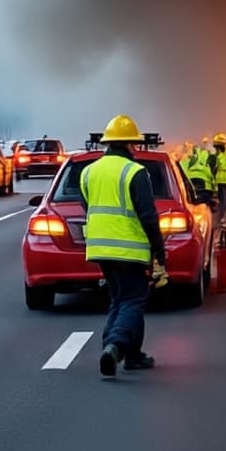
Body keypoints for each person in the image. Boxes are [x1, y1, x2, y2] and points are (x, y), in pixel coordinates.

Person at [82, 115, 168, 379]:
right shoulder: (135, 172)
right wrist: (158, 250)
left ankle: (132, 355)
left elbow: (87, 206)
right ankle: (116, 346)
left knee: (120, 299)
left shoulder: (89, 171)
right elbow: (148, 216)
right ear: (130, 145)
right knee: (133, 300)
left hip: (99, 249)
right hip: (129, 249)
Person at [179, 139, 216, 205]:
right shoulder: (204, 158)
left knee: (191, 200)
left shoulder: (184, 158)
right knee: (202, 201)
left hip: (189, 179)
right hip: (202, 182)